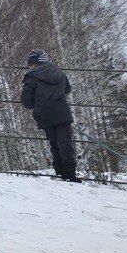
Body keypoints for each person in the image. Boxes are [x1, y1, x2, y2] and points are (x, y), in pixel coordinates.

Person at [22, 50, 80, 183]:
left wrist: (37, 102)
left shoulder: (31, 77)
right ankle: (70, 174)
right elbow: (67, 89)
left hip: (45, 115)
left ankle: (60, 172)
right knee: (66, 144)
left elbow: (26, 102)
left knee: (54, 144)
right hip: (62, 112)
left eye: (30, 65)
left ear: (34, 64)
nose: (30, 67)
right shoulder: (60, 73)